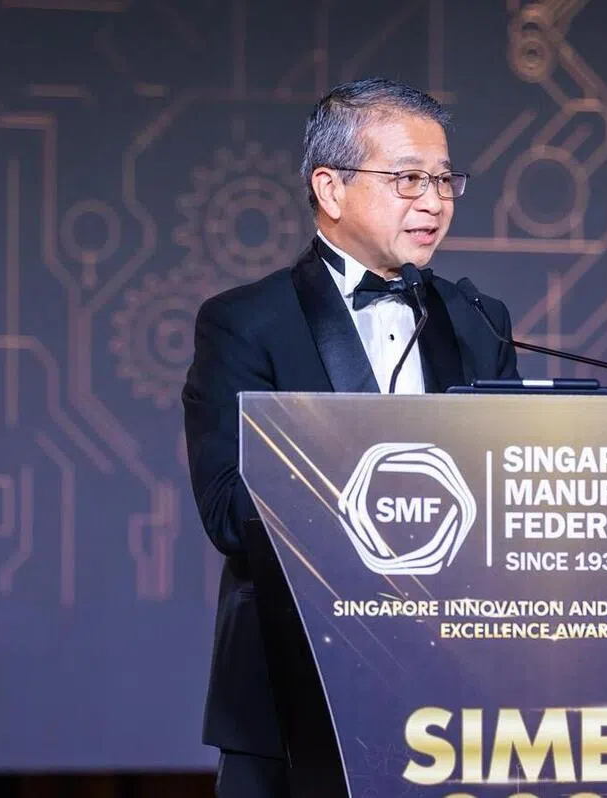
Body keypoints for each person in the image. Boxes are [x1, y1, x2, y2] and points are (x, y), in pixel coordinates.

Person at [181, 77, 520, 797]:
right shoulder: (246, 323)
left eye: (445, 180)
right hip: (291, 691)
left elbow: (507, 498)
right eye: (408, 178)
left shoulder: (477, 318)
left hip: (453, 702)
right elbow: (227, 512)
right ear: (330, 189)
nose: (434, 201)